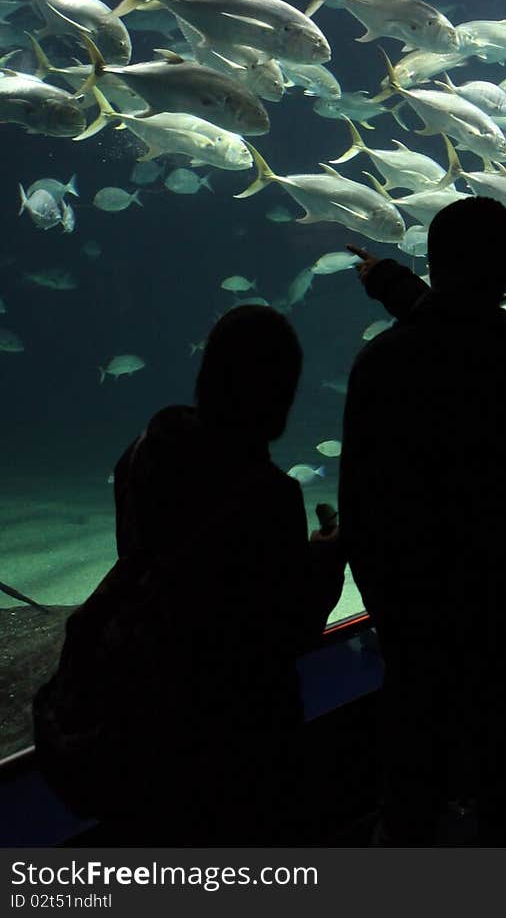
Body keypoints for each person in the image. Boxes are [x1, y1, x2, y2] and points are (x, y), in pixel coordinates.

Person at [63, 305, 344, 843]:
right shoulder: (270, 494)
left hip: (141, 712)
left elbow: (139, 560)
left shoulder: (143, 452)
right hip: (236, 726)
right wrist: (326, 561)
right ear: (280, 396)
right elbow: (286, 629)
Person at [339, 197, 506, 845]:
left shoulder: (382, 364)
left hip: (416, 631)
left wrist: (389, 610)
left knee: (411, 801)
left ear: (431, 262)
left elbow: (360, 507)